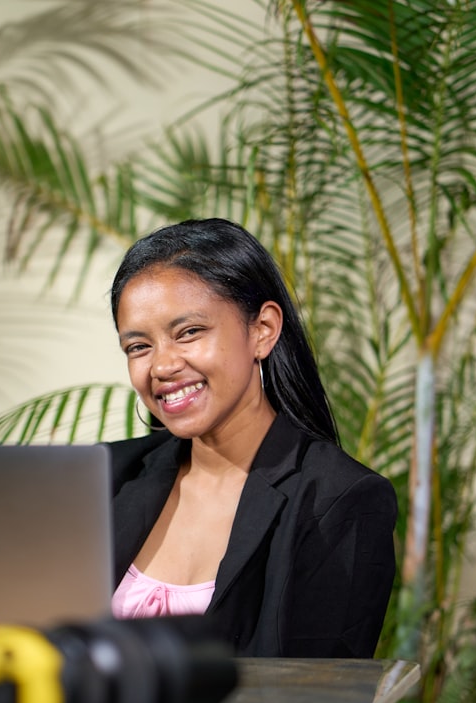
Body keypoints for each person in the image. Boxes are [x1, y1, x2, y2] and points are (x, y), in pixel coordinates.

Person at [106, 218, 397, 661]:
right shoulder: (104, 476)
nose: (162, 366)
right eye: (138, 347)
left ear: (262, 329)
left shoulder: (337, 502)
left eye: (188, 332)